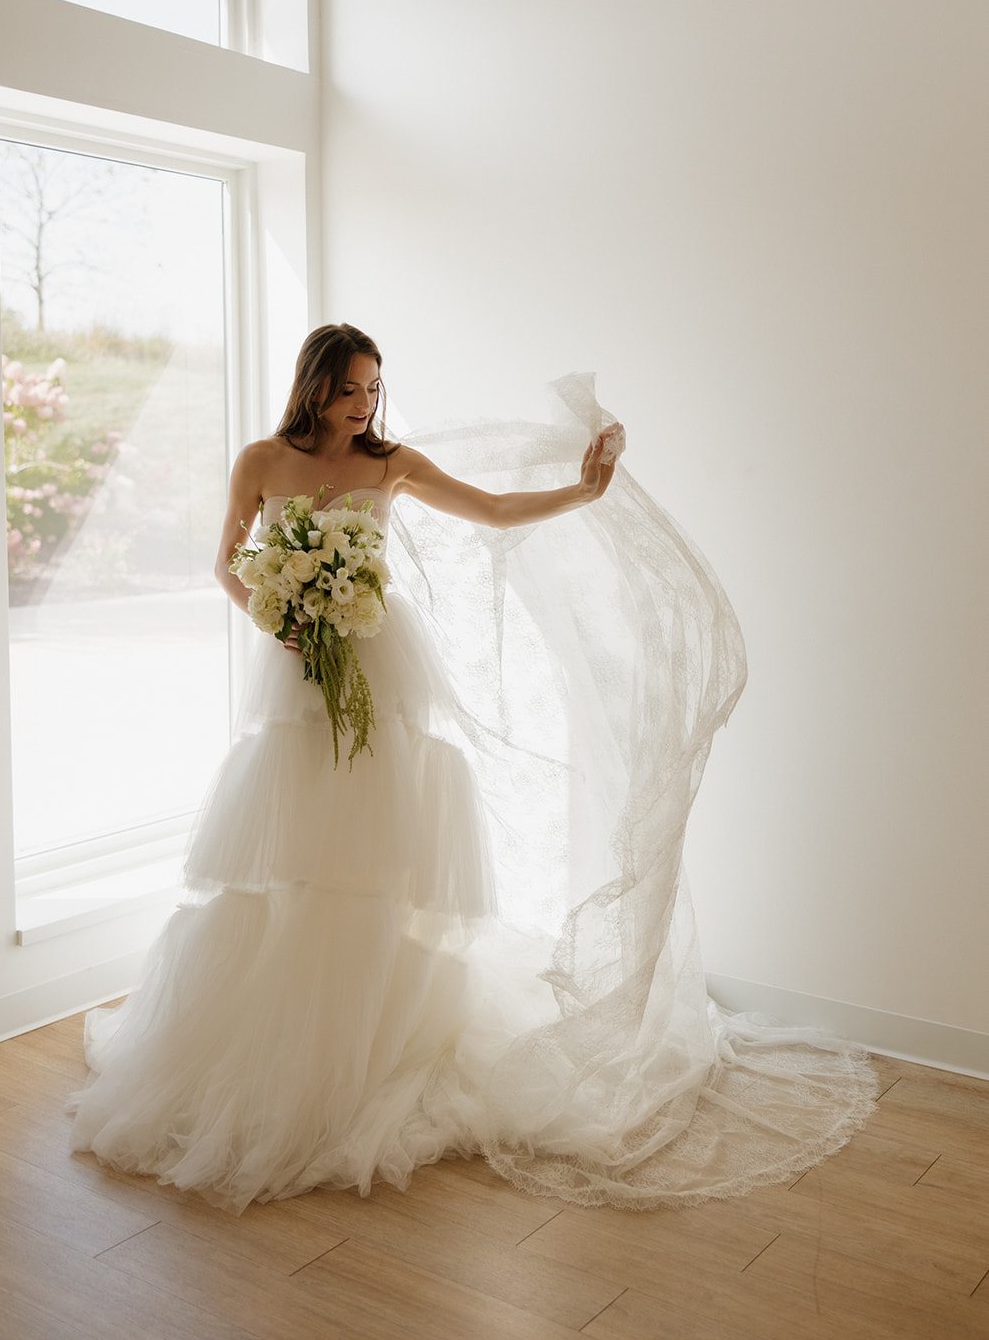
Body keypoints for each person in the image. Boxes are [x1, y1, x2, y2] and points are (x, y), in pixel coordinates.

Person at [70, 323, 876, 1214]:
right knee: (291, 836)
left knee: (376, 841)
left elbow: (491, 511)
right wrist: (280, 615)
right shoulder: (261, 459)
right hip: (297, 662)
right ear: (314, 387)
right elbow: (226, 561)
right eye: (350, 390)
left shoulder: (392, 464)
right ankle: (276, 1030)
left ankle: (372, 1026)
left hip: (375, 659)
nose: (364, 404)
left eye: (373, 388)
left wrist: (579, 492)